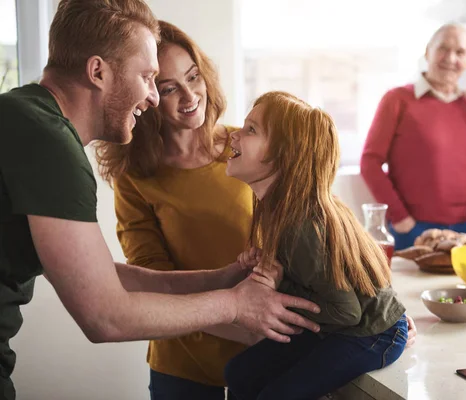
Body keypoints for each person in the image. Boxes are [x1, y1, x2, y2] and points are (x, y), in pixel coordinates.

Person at [0, 2, 319, 399]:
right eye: (150, 78)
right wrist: (235, 306)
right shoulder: (49, 143)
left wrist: (217, 279)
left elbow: (102, 275)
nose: (151, 97)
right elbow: (105, 315)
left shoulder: (24, 117)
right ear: (97, 71)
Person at [95, 20, 254, 399]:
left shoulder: (246, 145)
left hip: (266, 350)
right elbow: (154, 278)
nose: (189, 95)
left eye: (193, 76)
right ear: (147, 96)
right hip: (185, 363)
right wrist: (240, 321)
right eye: (169, 88)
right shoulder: (135, 176)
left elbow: (308, 229)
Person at [223, 91, 417, 400]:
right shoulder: (282, 212)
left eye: (251, 129)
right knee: (237, 373)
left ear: (282, 156)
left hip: (373, 334)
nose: (234, 134)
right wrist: (272, 269)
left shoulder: (300, 225)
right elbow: (312, 278)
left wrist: (278, 291)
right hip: (340, 325)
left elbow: (348, 312)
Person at [360, 23, 466, 250]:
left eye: (460, 52)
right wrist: (400, 219)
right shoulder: (397, 100)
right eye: (443, 48)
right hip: (415, 228)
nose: (450, 58)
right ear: (428, 51)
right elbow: (370, 161)